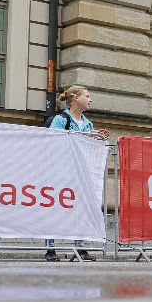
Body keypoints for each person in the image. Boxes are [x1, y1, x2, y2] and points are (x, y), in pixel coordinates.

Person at [45, 85, 109, 262]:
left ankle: (81, 249)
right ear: (75, 98)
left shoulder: (88, 123)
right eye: (87, 96)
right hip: (60, 171)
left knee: (81, 208)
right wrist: (82, 135)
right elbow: (53, 141)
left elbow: (86, 147)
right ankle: (50, 250)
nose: (90, 99)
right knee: (54, 209)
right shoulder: (60, 119)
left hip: (80, 172)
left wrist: (95, 137)